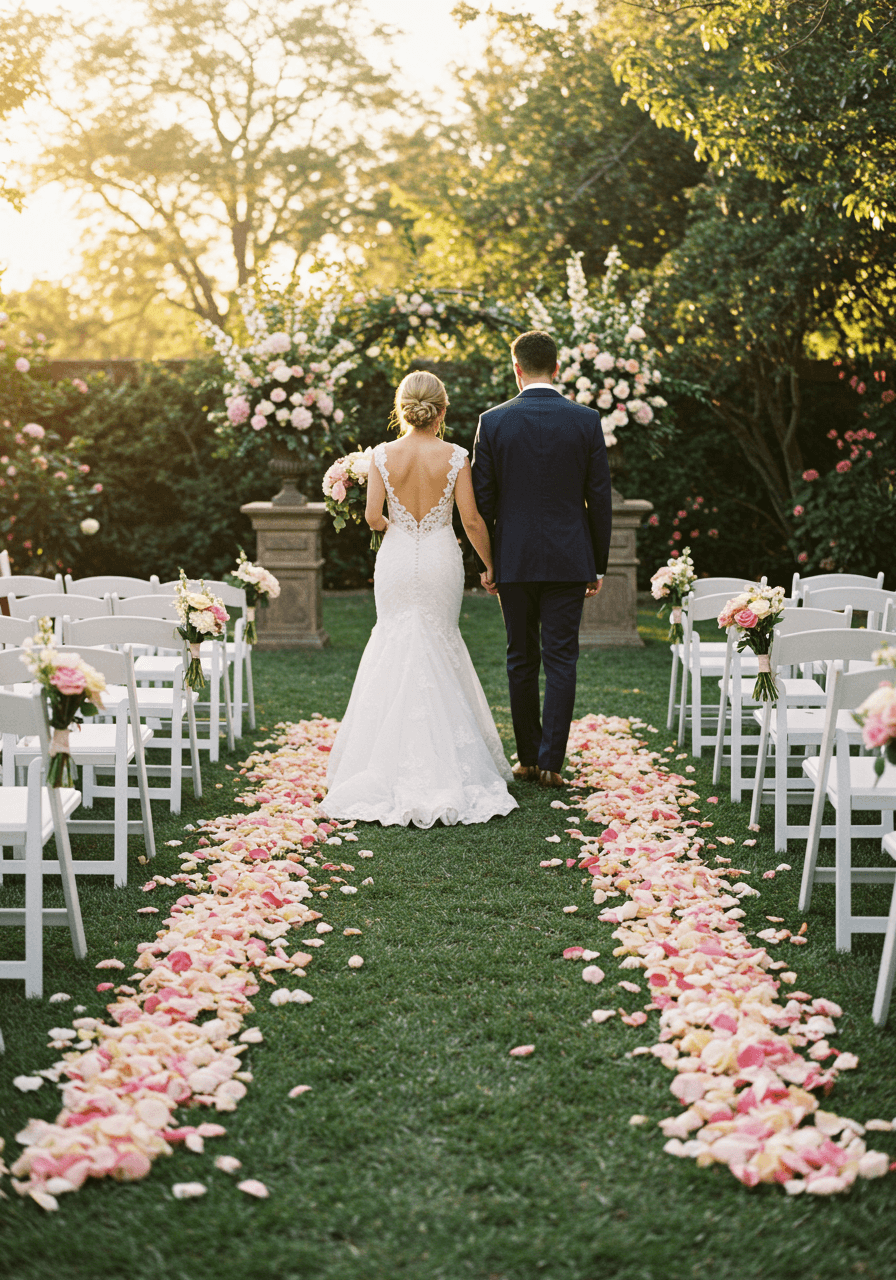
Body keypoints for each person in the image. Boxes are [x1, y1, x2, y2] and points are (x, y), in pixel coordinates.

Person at [320, 370, 518, 828]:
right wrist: (491, 567)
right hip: (438, 559)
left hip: (395, 560)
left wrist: (399, 530)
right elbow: (470, 521)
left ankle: (376, 762)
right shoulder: (455, 456)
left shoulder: (382, 456)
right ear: (442, 410)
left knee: (392, 640)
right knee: (438, 639)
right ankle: (447, 762)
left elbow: (372, 517)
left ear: (401, 407)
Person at [471, 329, 613, 788]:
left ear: (516, 368)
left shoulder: (492, 421)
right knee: (562, 659)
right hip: (571, 559)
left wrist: (489, 562)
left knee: (520, 657)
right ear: (557, 367)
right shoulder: (586, 420)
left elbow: (482, 501)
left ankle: (528, 759)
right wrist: (598, 563)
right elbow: (600, 498)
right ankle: (552, 761)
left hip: (512, 559)